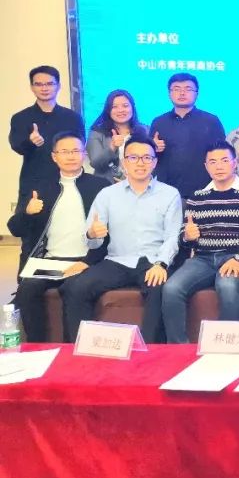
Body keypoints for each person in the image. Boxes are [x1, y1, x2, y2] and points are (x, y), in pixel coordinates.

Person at [60, 133, 183, 343]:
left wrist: (161, 264)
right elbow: (92, 239)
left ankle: (148, 350)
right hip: (116, 260)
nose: (140, 163)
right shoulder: (107, 194)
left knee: (159, 289)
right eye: (133, 157)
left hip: (152, 261)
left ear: (154, 162)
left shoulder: (170, 194)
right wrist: (92, 234)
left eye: (147, 157)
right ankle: (81, 347)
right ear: (124, 162)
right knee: (75, 287)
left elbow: (172, 236)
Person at [8, 133, 110, 342]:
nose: (71, 156)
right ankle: (37, 346)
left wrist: (88, 261)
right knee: (27, 290)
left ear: (84, 154)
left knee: (74, 291)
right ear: (54, 157)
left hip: (84, 261)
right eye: (64, 151)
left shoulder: (100, 186)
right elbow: (15, 229)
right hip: (51, 261)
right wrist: (27, 212)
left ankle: (71, 349)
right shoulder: (41, 188)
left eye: (76, 151)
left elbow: (111, 232)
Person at [160, 141, 239, 343]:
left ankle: (227, 347)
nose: (219, 166)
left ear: (235, 163)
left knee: (227, 287)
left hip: (236, 257)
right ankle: (178, 349)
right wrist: (187, 236)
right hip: (203, 259)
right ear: (206, 166)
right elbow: (184, 238)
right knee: (171, 288)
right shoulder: (197, 197)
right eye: (212, 162)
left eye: (224, 160)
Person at [148, 73, 226, 199]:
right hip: (166, 193)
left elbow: (223, 154)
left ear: (197, 93)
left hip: (205, 192)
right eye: (177, 89)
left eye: (188, 89)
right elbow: (148, 157)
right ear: (169, 93)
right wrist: (152, 148)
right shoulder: (159, 122)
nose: (182, 93)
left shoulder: (211, 121)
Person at [9, 65, 85, 191]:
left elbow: (80, 147)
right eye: (38, 84)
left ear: (58, 86)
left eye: (50, 84)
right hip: (34, 183)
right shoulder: (20, 117)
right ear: (32, 87)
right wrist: (31, 142)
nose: (44, 88)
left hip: (69, 181)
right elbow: (17, 146)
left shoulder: (73, 118)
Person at [86, 89, 147, 182]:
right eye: (114, 107)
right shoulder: (97, 132)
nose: (121, 110)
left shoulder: (145, 130)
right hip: (106, 185)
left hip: (139, 185)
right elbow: (96, 163)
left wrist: (156, 149)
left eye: (125, 106)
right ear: (108, 110)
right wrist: (112, 147)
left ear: (132, 108)